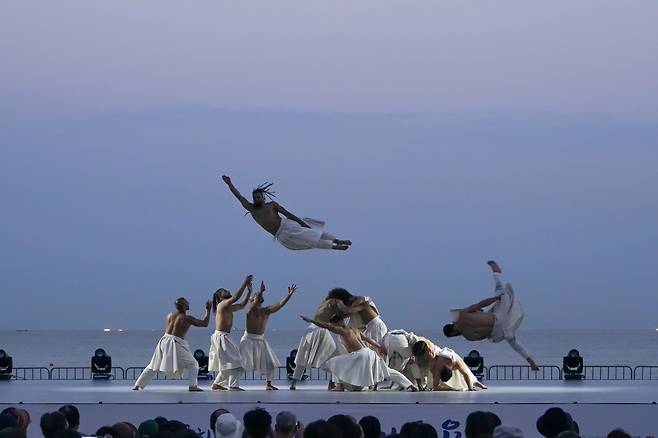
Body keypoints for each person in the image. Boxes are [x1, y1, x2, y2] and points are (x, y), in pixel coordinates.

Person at [443, 261, 539, 370]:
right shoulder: (463, 314)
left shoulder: (468, 336)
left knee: (513, 342)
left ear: (453, 334)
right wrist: (494, 300)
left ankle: (530, 360)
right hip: (498, 316)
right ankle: (496, 273)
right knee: (501, 291)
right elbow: (481, 304)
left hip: (499, 330)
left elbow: (485, 336)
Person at [222, 175, 351, 250]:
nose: (256, 199)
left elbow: (288, 214)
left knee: (312, 232)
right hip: (281, 237)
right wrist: (229, 184)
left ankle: (337, 242)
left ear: (263, 198)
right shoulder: (251, 208)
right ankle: (334, 246)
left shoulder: (271, 205)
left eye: (258, 197)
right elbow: (239, 196)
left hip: (288, 225)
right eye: (254, 197)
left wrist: (301, 223)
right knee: (310, 241)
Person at [301, 314, 417, 391]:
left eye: (335, 323)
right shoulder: (354, 330)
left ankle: (340, 386)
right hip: (370, 353)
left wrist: (311, 320)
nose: (334, 325)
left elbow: (326, 325)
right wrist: (380, 347)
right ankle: (410, 385)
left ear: (337, 322)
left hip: (360, 355)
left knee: (334, 362)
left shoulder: (342, 330)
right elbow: (368, 340)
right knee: (388, 372)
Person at [133, 297, 211, 391]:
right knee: (193, 363)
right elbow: (205, 323)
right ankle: (193, 386)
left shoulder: (170, 315)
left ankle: (137, 385)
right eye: (186, 303)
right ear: (183, 305)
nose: (188, 303)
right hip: (174, 343)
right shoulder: (186, 318)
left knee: (154, 365)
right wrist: (208, 309)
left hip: (164, 341)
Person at [290, 296, 360, 390]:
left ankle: (294, 383)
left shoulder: (326, 305)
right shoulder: (335, 304)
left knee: (303, 357)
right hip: (319, 331)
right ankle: (334, 382)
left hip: (311, 330)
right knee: (335, 357)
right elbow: (344, 316)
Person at [241, 282, 297, 390]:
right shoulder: (250, 310)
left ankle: (268, 384)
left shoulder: (266, 311)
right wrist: (261, 292)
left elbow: (280, 304)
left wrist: (289, 295)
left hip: (260, 340)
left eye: (256, 297)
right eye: (254, 297)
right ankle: (227, 383)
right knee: (240, 364)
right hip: (248, 339)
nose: (255, 298)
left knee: (270, 363)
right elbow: (254, 304)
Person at [209, 275, 253, 391]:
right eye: (224, 291)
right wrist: (245, 282)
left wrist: (249, 292)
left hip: (225, 337)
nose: (227, 290)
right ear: (219, 297)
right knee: (237, 362)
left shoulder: (228, 307)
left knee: (230, 363)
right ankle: (233, 386)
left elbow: (242, 305)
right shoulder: (222, 305)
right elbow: (236, 297)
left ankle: (217, 383)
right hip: (221, 336)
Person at [412, 341, 487, 391]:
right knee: (433, 379)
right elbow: (436, 386)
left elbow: (466, 373)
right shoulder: (437, 366)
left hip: (450, 356)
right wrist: (452, 389)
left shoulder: (456, 362)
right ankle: (475, 383)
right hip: (438, 354)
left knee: (466, 371)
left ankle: (476, 383)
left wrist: (470, 388)